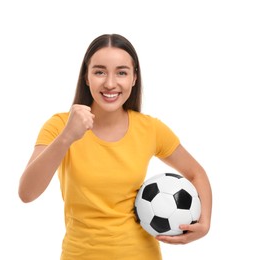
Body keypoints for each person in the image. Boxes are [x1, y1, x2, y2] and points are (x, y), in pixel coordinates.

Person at [18, 33, 212, 260]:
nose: (110, 83)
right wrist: (67, 137)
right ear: (87, 77)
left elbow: (195, 173)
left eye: (121, 72)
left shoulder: (150, 129)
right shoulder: (59, 126)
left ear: (134, 78)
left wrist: (204, 223)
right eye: (99, 72)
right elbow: (27, 193)